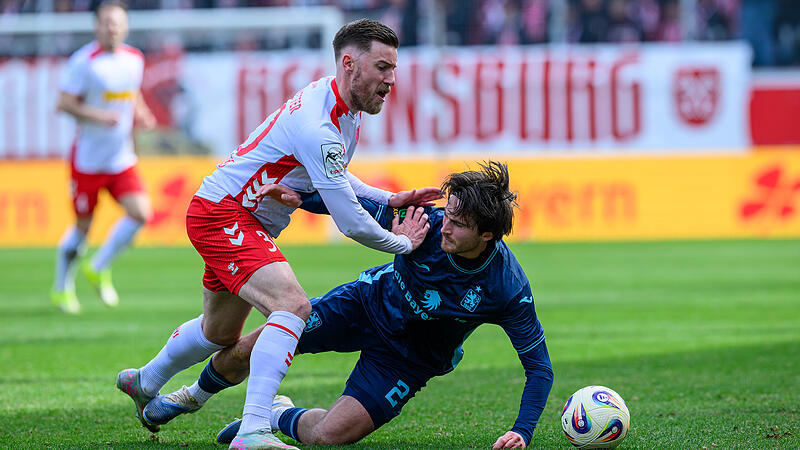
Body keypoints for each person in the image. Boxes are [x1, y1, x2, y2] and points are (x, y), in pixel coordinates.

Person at [115, 18, 440, 450]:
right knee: (292, 305)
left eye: (393, 69)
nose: (391, 80)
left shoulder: (340, 108)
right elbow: (351, 223)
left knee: (220, 333)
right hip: (224, 214)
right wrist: (403, 244)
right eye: (383, 67)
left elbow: (336, 178)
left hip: (237, 216)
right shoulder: (318, 125)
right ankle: (252, 431)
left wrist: (388, 198)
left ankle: (146, 379)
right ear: (349, 63)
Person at [147, 162, 553, 450]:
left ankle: (275, 415)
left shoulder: (507, 288)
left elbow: (539, 368)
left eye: (458, 224)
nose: (444, 225)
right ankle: (190, 396)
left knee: (329, 436)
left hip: (410, 358)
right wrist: (299, 197)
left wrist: (523, 430)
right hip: (362, 304)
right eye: (447, 214)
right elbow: (348, 205)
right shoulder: (423, 221)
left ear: (487, 236)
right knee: (251, 347)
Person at [51, 0, 157, 314]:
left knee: (141, 213)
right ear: (96, 26)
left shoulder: (134, 59)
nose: (113, 27)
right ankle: (61, 287)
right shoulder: (84, 62)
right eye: (107, 22)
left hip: (120, 157)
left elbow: (131, 93)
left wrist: (142, 112)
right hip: (88, 160)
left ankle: (98, 266)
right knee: (82, 229)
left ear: (126, 26)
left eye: (118, 22)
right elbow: (63, 104)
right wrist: (99, 116)